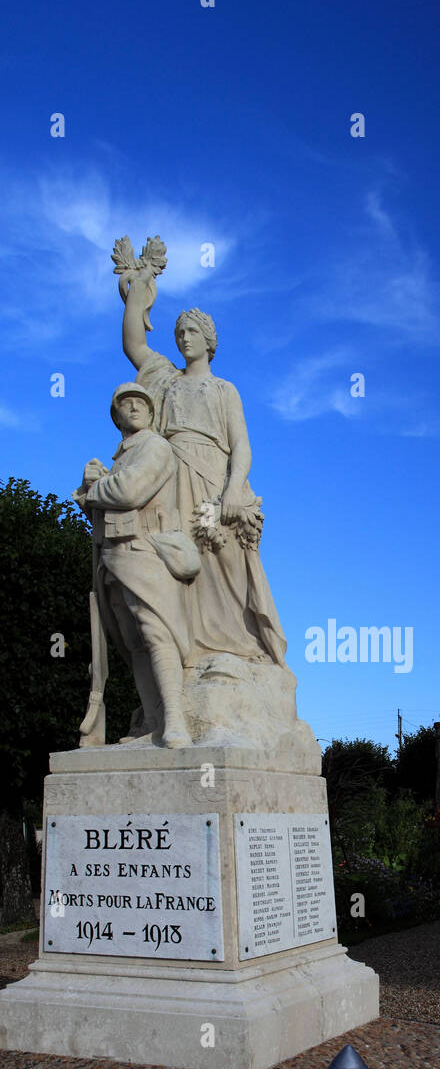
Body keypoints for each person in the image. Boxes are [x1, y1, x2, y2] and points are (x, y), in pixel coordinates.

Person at [121, 269, 287, 671]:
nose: (184, 338)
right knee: (180, 562)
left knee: (225, 561)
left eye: (192, 331)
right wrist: (137, 294)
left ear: (209, 340)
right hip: (171, 480)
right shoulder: (165, 378)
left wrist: (233, 490)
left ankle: (235, 646)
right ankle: (188, 652)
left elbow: (242, 446)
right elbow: (133, 343)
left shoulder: (224, 389)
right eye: (180, 331)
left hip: (214, 478)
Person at [74, 383, 201, 748]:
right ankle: (153, 725)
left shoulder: (155, 447)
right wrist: (90, 489)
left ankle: (175, 723)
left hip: (144, 552)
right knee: (134, 644)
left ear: (150, 413)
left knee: (157, 634)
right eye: (125, 404)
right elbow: (106, 506)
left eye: (139, 403)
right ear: (116, 416)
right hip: (112, 559)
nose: (133, 408)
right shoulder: (119, 457)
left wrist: (91, 490)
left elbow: (130, 492)